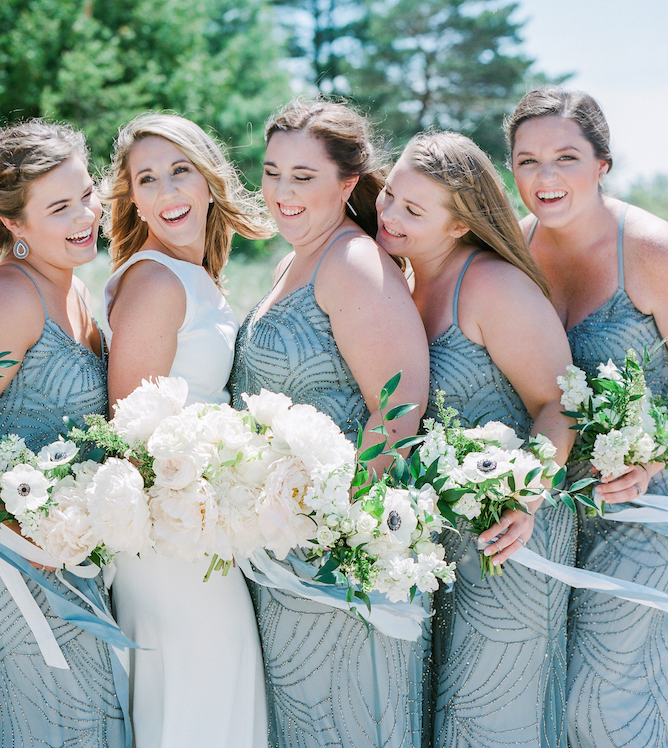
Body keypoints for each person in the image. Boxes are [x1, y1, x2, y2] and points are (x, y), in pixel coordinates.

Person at [228, 98, 430, 747]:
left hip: (339, 556)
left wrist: (340, 525)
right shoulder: (293, 259)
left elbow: (399, 407)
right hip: (287, 552)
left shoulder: (352, 263)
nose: (282, 192)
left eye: (303, 176)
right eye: (272, 172)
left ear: (347, 183)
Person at [375, 130, 576, 747]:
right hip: (437, 543)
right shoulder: (402, 281)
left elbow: (560, 403)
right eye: (388, 196)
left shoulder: (491, 286)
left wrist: (526, 492)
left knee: (487, 714)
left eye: (413, 211)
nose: (388, 215)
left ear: (460, 225)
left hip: (508, 534)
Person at [0, 120, 126, 747]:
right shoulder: (10, 298)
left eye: (86, 196)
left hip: (70, 554)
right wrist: (13, 530)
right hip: (11, 562)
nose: (85, 217)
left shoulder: (71, 285)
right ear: (16, 225)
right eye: (59, 207)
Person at [508, 87, 668, 748]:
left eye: (566, 158)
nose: (545, 178)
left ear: (602, 164)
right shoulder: (514, 252)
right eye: (527, 161)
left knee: (610, 704)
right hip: (551, 511)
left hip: (646, 507)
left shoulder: (651, 250)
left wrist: (656, 451)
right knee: (547, 700)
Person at [101, 112, 273, 748]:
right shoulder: (155, 280)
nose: (169, 192)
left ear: (208, 180)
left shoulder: (193, 275)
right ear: (133, 198)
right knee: (199, 698)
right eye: (148, 179)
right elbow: (134, 424)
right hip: (170, 533)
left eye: (181, 172)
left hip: (202, 524)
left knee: (214, 691)